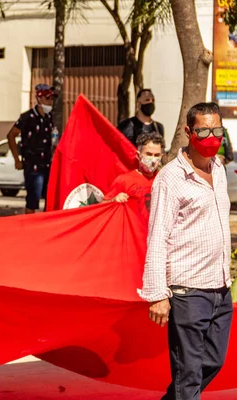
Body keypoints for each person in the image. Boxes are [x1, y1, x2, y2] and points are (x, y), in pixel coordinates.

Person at [141, 102, 232, 399]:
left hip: (220, 288)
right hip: (187, 292)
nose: (211, 137)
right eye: (204, 130)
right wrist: (157, 294)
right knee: (189, 371)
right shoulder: (170, 178)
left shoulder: (218, 169)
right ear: (188, 132)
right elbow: (157, 237)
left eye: (216, 130)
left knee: (213, 362)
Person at [7, 83, 57, 213]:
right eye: (48, 98)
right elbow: (11, 135)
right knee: (33, 200)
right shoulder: (27, 117)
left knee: (50, 198)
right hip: (33, 165)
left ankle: (46, 227)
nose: (50, 102)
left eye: (52, 99)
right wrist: (17, 159)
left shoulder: (49, 117)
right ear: (39, 99)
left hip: (47, 164)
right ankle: (29, 228)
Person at [102, 132, 164, 219]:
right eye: (149, 154)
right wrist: (114, 200)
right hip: (132, 231)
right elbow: (102, 207)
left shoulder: (164, 180)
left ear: (162, 156)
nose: (153, 159)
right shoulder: (124, 180)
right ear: (138, 155)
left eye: (156, 155)